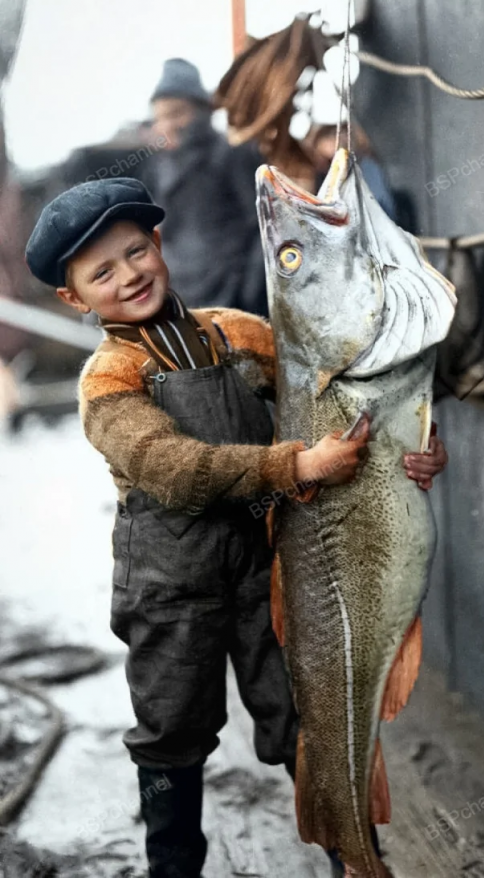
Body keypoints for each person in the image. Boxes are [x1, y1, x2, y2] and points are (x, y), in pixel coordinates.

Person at [24, 177, 449, 878]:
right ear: (73, 297)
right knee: (172, 735)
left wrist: (418, 448)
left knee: (302, 715)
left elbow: (341, 403)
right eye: (101, 271)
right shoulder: (107, 380)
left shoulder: (244, 333)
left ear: (159, 243)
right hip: (169, 589)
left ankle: (355, 855)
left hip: (267, 571)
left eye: (135, 251)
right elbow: (175, 468)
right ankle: (174, 864)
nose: (128, 275)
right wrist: (298, 464)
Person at [145, 58, 268, 316]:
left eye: (177, 113)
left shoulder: (232, 152)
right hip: (182, 297)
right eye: (160, 117)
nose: (167, 124)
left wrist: (250, 291)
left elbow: (264, 224)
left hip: (234, 296)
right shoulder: (161, 164)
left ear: (202, 110)